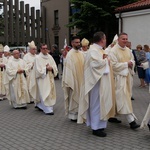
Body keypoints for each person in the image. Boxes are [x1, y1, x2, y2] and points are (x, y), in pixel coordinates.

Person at [78, 32, 114, 137]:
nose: (106, 40)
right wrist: (106, 60)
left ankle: (100, 125)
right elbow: (95, 64)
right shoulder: (93, 50)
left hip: (102, 81)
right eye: (105, 38)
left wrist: (105, 59)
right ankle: (95, 128)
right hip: (95, 82)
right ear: (102, 39)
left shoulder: (99, 50)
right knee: (96, 104)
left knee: (101, 103)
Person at [109, 32, 140, 129]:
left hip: (127, 78)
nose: (125, 41)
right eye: (123, 39)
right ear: (118, 40)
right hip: (118, 79)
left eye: (126, 39)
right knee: (124, 99)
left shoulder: (128, 50)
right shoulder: (113, 51)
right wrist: (126, 64)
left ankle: (111, 116)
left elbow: (133, 61)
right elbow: (113, 66)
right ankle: (131, 121)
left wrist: (131, 63)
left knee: (118, 98)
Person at [30, 43, 58, 115]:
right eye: (43, 48)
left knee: (50, 92)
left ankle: (45, 106)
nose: (45, 50)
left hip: (50, 77)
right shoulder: (38, 58)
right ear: (40, 49)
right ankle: (47, 109)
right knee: (44, 92)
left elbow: (55, 66)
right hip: (43, 78)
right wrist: (46, 68)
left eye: (46, 48)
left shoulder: (50, 57)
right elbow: (38, 70)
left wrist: (52, 68)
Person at [62, 36, 84, 122]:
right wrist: (70, 82)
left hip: (81, 79)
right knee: (74, 96)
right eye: (76, 42)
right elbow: (68, 69)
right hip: (74, 80)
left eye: (79, 42)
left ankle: (80, 113)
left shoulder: (81, 53)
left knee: (81, 96)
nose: (78, 44)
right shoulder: (70, 55)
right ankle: (73, 116)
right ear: (72, 43)